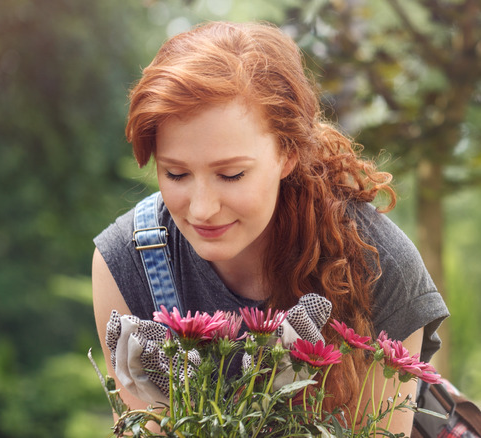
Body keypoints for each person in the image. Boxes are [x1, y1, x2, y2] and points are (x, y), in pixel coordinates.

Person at [92, 21, 449, 435]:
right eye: (176, 174)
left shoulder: (380, 266)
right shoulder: (128, 261)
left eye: (231, 175)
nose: (203, 209)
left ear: (288, 153)